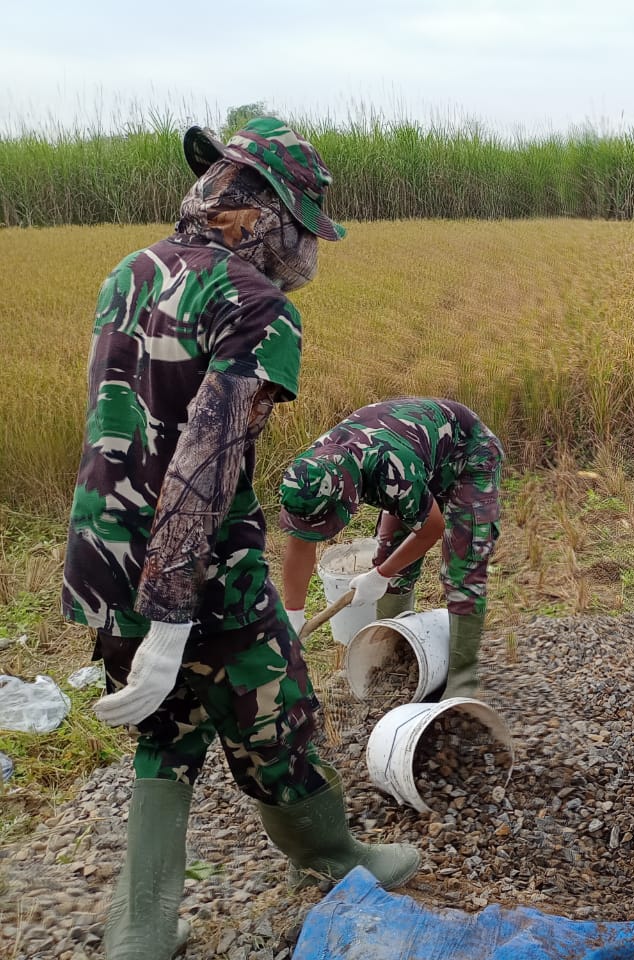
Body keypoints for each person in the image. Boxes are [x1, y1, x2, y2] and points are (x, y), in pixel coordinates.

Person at [61, 118, 419, 960]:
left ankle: (139, 930)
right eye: (301, 229)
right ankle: (334, 856)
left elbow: (114, 420)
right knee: (279, 712)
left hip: (101, 552)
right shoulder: (258, 306)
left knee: (166, 724)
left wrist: (139, 604)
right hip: (202, 575)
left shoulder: (131, 270)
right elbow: (206, 459)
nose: (306, 252)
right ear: (262, 213)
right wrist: (174, 606)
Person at [278, 397, 502, 700]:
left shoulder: (392, 469)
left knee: (464, 564)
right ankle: (392, 656)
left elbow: (431, 529)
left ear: (350, 493)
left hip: (468, 454)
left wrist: (380, 575)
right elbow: (300, 545)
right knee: (390, 553)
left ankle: (462, 679)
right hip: (413, 459)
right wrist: (293, 617)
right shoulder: (309, 474)